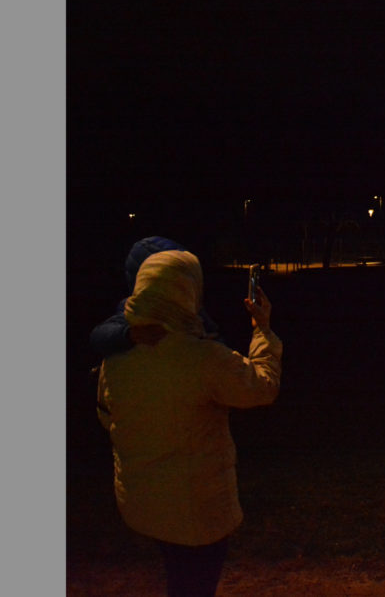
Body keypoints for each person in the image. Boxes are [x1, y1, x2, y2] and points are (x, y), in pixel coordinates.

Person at [96, 249, 282, 596]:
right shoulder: (202, 357)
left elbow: (107, 414)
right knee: (195, 584)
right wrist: (263, 330)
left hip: (146, 503)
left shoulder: (118, 356)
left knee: (178, 577)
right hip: (199, 512)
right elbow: (262, 387)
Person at [90, 236, 225, 356]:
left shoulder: (192, 310)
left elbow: (215, 339)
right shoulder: (135, 312)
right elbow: (98, 337)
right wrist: (130, 334)